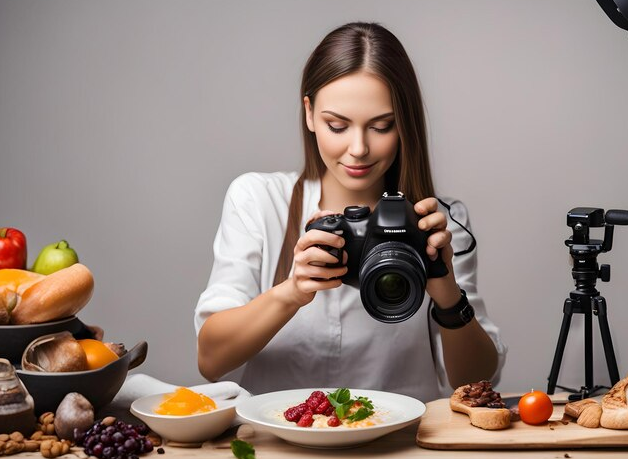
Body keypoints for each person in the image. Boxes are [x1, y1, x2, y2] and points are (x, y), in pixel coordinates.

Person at [194, 22, 506, 402]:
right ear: (309, 113)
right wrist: (290, 292)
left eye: (381, 126)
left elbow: (473, 382)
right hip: (280, 442)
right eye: (337, 125)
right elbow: (211, 360)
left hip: (402, 443)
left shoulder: (436, 221)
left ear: (404, 123)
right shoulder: (259, 200)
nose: (358, 148)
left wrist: (446, 292)